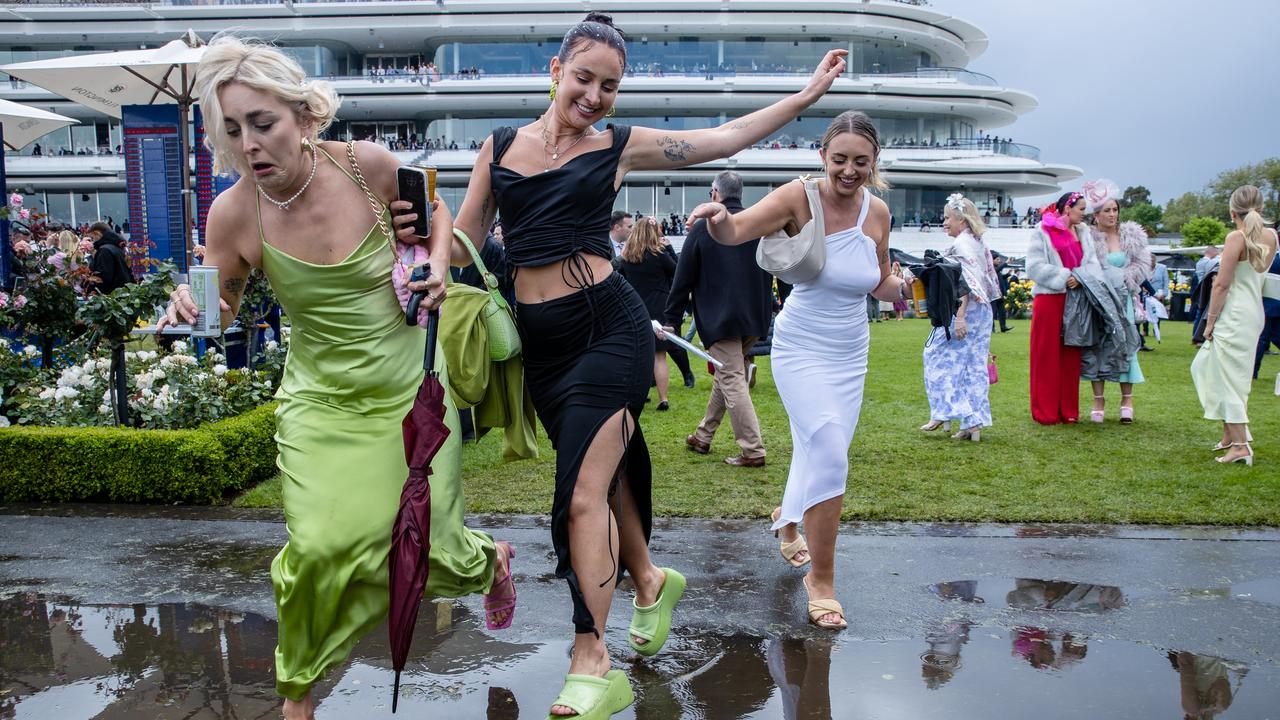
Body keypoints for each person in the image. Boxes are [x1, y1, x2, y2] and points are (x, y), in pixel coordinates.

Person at [449, 12, 847, 715]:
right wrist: (419, 255)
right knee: (600, 489)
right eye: (584, 78)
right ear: (555, 71)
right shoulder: (500, 147)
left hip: (611, 334)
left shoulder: (619, 146)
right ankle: (650, 580)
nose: (595, 95)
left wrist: (802, 99)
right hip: (544, 350)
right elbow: (466, 239)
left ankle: (591, 659)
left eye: (610, 85)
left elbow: (720, 139)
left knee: (577, 497)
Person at [158, 36, 516, 720]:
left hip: (407, 387)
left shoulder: (365, 168)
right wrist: (191, 305)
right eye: (232, 131)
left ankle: (489, 558)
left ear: (303, 115)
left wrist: (438, 265)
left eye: (262, 124)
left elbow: (435, 214)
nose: (250, 145)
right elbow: (223, 304)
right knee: (320, 548)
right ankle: (298, 698)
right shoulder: (234, 213)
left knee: (429, 552)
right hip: (319, 402)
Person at [689, 110, 905, 631]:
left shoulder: (878, 212)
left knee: (820, 448)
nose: (849, 171)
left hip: (851, 352)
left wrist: (903, 286)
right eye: (839, 160)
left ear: (874, 164)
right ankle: (822, 581)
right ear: (822, 156)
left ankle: (786, 521)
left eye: (861, 162)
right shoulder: (796, 196)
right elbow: (738, 230)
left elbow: (877, 282)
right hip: (802, 346)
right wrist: (718, 218)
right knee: (829, 446)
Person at [664, 170, 772, 468]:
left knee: (731, 378)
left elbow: (682, 277)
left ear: (715, 194)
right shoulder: (756, 224)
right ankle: (703, 436)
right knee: (728, 374)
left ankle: (752, 450)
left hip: (721, 317)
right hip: (754, 316)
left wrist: (671, 318)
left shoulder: (704, 228)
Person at [1191, 185, 1277, 466]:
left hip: (1235, 314)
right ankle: (1230, 434)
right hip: (1253, 313)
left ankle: (1240, 446)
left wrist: (1209, 322)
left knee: (1230, 378)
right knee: (1206, 366)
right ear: (1260, 209)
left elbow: (1222, 285)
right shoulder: (1272, 235)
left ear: (1232, 213)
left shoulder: (1235, 238)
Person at [920, 193, 1000, 441]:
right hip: (983, 310)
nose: (944, 222)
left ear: (961, 220)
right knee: (973, 366)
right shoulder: (978, 243)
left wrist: (961, 316)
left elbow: (963, 283)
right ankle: (972, 423)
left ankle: (946, 410)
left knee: (936, 357)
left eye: (947, 218)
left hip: (966, 309)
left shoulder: (961, 246)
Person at [1025, 191, 1100, 425]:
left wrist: (1080, 277)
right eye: (1081, 209)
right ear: (1068, 208)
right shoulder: (1043, 231)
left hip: (1077, 298)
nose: (1084, 213)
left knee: (1071, 354)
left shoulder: (1085, 233)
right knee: (1046, 355)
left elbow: (1093, 263)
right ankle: (1045, 411)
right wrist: (1064, 276)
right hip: (1051, 298)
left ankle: (1068, 410)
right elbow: (1034, 267)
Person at [1083, 179, 1150, 424]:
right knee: (1099, 347)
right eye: (1107, 210)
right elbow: (1085, 266)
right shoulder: (1088, 238)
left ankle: (1127, 399)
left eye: (1115, 210)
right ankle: (1098, 399)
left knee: (1127, 345)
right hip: (1100, 302)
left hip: (1124, 299)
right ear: (1096, 215)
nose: (1112, 214)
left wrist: (1123, 278)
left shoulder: (1131, 235)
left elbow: (1142, 265)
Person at [618, 216, 677, 410]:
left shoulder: (626, 256)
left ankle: (637, 396)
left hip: (635, 308)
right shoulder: (659, 254)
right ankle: (663, 398)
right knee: (659, 356)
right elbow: (677, 272)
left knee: (636, 356)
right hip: (659, 308)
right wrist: (668, 248)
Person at [86, 221, 133, 294]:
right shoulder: (119, 247)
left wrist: (90, 290)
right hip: (124, 293)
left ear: (97, 233)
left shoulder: (104, 251)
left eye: (92, 238)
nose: (92, 241)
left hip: (112, 295)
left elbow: (102, 278)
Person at [1254, 250, 1280, 379]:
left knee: (1261, 340)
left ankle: (1253, 372)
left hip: (1267, 305)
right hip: (1272, 305)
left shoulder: (1270, 259)